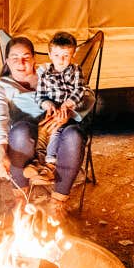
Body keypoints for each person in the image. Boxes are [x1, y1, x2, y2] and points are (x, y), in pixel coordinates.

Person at [0, 35, 89, 217]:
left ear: (35, 58)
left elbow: (86, 93)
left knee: (74, 134)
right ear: (7, 61)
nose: (21, 62)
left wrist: (67, 112)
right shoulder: (1, 87)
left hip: (59, 136)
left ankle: (57, 202)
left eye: (26, 57)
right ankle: (21, 200)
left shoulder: (50, 72)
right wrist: (1, 152)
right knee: (19, 131)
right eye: (15, 58)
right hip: (25, 145)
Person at [35, 31, 88, 171]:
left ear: (73, 54)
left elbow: (80, 90)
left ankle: (50, 163)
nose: (61, 60)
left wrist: (68, 104)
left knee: (58, 129)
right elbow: (40, 95)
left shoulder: (76, 70)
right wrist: (48, 104)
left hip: (69, 111)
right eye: (57, 55)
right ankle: (39, 163)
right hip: (50, 111)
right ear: (50, 55)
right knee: (42, 130)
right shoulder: (44, 73)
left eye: (66, 56)